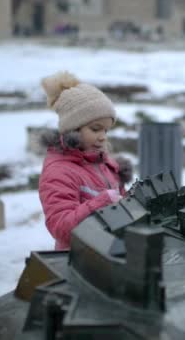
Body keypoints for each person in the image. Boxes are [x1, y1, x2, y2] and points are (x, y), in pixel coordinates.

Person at [38, 71, 132, 250]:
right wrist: (103, 203)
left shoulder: (105, 165)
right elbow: (61, 228)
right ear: (73, 128)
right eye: (96, 129)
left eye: (106, 130)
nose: (103, 137)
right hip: (79, 260)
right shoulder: (59, 171)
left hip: (107, 252)